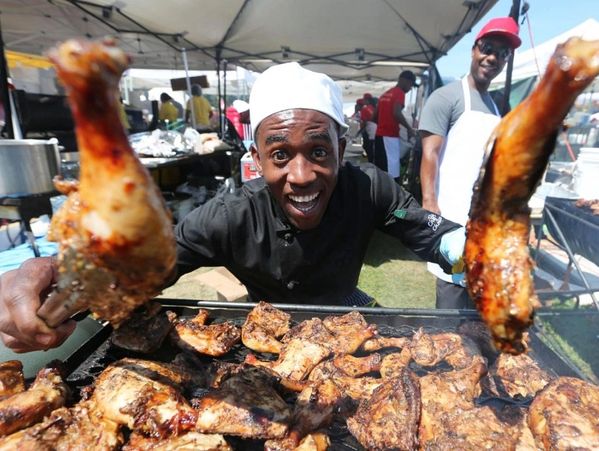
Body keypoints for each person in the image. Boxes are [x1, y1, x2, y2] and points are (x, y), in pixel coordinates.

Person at [0, 61, 466, 353]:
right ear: (256, 158)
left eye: (319, 152)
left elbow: (421, 225)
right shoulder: (227, 216)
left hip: (345, 307)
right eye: (280, 154)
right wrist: (66, 278)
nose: (301, 176)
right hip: (263, 320)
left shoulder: (368, 188)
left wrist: (461, 245)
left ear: (342, 149)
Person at [418, 17, 521, 309]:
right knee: (452, 299)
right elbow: (430, 155)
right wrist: (430, 205)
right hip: (454, 217)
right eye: (487, 48)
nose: (492, 58)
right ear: (474, 49)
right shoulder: (446, 97)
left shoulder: (496, 105)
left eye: (502, 53)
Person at [373, 70, 417, 181]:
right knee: (392, 172)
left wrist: (384, 123)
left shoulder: (385, 94)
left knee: (380, 168)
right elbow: (396, 112)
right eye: (411, 84)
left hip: (379, 135)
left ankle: (378, 194)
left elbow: (374, 117)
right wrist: (409, 128)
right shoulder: (399, 93)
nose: (410, 88)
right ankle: (392, 196)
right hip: (389, 136)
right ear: (405, 81)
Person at [359, 93, 377, 163]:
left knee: (369, 150)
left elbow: (364, 122)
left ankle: (370, 165)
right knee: (374, 150)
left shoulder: (365, 109)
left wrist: (359, 131)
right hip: (377, 132)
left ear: (367, 100)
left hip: (371, 132)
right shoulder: (374, 108)